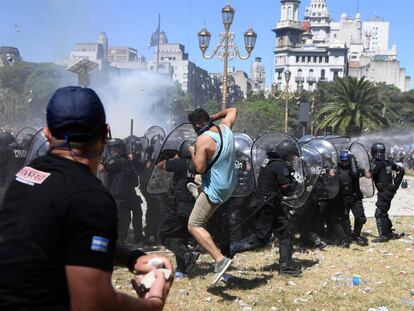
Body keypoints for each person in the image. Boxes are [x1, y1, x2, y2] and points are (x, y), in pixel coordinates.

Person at [0, 86, 173, 310]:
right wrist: (153, 302)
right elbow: (93, 304)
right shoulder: (90, 198)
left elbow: (66, 235)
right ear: (105, 134)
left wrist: (133, 259)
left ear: (47, 134)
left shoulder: (25, 178)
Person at [229, 140, 302, 276]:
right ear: (286, 154)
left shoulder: (269, 161)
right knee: (260, 238)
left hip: (269, 203)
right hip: (268, 205)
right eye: (292, 156)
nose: (292, 159)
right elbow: (285, 188)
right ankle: (230, 249)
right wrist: (296, 184)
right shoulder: (280, 165)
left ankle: (285, 266)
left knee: (285, 232)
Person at [187, 107, 238, 284]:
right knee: (200, 180)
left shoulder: (203, 140)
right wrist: (213, 116)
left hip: (217, 189)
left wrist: (191, 151)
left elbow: (199, 167)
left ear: (198, 124)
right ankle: (199, 192)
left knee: (194, 224)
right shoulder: (226, 127)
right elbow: (233, 109)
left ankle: (219, 259)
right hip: (230, 183)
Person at [156, 142, 199, 278]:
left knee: (165, 234)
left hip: (178, 206)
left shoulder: (180, 163)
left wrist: (173, 158)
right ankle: (185, 269)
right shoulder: (198, 165)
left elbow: (160, 165)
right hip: (192, 206)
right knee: (180, 237)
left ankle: (188, 255)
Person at [103, 138, 144, 245]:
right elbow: (111, 164)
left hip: (129, 194)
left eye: (116, 148)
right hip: (117, 196)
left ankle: (138, 236)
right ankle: (119, 242)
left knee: (137, 210)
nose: (114, 150)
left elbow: (135, 181)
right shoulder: (111, 163)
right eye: (112, 148)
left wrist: (131, 161)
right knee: (122, 220)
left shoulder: (127, 162)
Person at [371, 142, 405, 243]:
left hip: (384, 191)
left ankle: (384, 235)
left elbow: (369, 174)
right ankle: (389, 232)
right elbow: (401, 170)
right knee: (383, 211)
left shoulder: (377, 163)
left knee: (379, 212)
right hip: (389, 190)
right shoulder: (388, 161)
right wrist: (395, 186)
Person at [337, 150, 368, 246]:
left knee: (360, 217)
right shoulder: (337, 170)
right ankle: (346, 237)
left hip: (355, 197)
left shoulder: (355, 170)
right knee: (344, 218)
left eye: (346, 161)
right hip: (342, 198)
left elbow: (367, 173)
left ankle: (356, 235)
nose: (344, 163)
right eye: (342, 161)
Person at [0, 132, 27, 207]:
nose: (1, 146)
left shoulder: (7, 151)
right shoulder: (23, 150)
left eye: (1, 143)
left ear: (5, 141)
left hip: (7, 185)